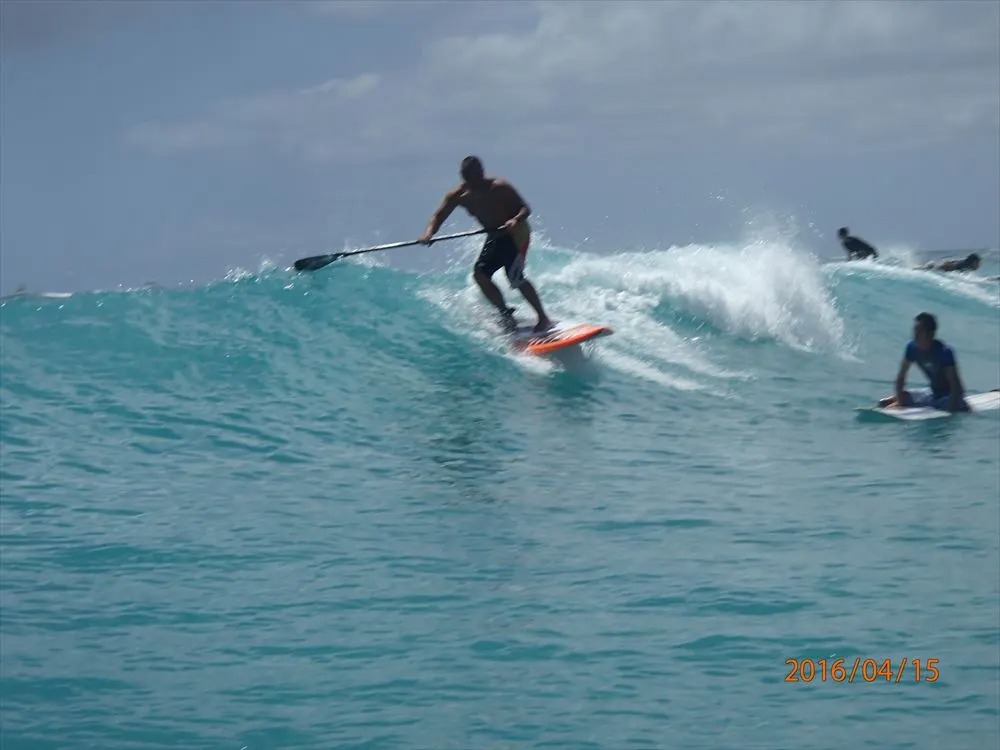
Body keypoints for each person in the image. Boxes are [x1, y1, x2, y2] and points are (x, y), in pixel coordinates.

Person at [420, 156, 552, 333]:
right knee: (480, 275)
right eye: (469, 178)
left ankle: (543, 318)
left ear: (482, 173)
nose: (474, 182)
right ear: (463, 176)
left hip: (516, 234)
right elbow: (438, 216)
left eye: (477, 176)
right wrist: (429, 233)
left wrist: (515, 220)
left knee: (514, 276)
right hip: (495, 236)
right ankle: (505, 314)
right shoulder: (458, 196)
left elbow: (525, 208)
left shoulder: (499, 187)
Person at [879, 312, 969, 412]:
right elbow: (901, 376)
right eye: (915, 330)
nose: (915, 335)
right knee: (884, 403)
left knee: (893, 407)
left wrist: (950, 410)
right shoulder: (912, 348)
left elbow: (955, 386)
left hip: (950, 396)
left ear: (931, 334)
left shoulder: (944, 352)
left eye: (919, 331)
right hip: (932, 392)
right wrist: (900, 403)